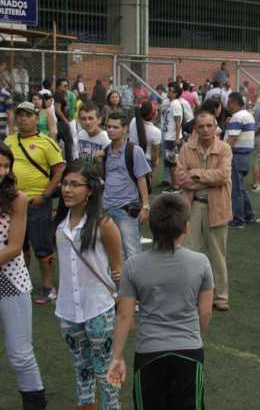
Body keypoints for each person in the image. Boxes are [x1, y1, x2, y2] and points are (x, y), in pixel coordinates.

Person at [107, 194, 214, 410]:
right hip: (189, 351)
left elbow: (124, 315)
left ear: (151, 226)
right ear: (185, 227)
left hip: (149, 353)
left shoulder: (134, 265)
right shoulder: (201, 262)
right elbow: (205, 312)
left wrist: (117, 357)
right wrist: (195, 336)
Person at [54, 161, 123, 410]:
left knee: (105, 369)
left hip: (99, 309)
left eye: (75, 184)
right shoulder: (59, 224)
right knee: (80, 367)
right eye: (65, 183)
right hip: (68, 311)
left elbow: (118, 270)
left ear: (90, 190)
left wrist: (125, 311)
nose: (67, 190)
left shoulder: (103, 224)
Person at [0, 143, 48, 409]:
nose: (3, 171)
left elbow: (15, 246)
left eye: (6, 166)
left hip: (11, 282)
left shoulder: (17, 198)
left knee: (20, 353)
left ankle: (35, 403)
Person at [5, 101, 65, 305]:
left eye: (27, 115)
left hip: (36, 203)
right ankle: (21, 282)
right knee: (18, 246)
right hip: (11, 203)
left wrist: (45, 196)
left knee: (42, 245)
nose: (23, 118)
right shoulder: (9, 141)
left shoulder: (46, 142)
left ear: (35, 117)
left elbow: (59, 170)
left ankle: (48, 287)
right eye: (20, 114)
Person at [175, 109, 233, 311]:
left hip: (217, 207)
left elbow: (223, 176)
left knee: (218, 254)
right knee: (190, 253)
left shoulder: (224, 148)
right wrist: (207, 180)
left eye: (209, 125)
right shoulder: (186, 148)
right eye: (201, 126)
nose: (206, 130)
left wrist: (195, 175)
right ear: (195, 129)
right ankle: (193, 295)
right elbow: (180, 178)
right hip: (193, 207)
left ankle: (221, 297)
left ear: (216, 126)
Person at [102, 112, 151, 260]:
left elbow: (142, 178)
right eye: (109, 126)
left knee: (132, 251)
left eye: (115, 127)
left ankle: (137, 282)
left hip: (127, 208)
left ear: (125, 130)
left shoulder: (134, 151)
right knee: (114, 252)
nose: (111, 130)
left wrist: (146, 206)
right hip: (108, 208)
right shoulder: (105, 151)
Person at [225, 92, 255, 228]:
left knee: (236, 189)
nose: (227, 105)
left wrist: (223, 154)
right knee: (241, 188)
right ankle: (249, 215)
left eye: (229, 102)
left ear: (234, 103)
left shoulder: (237, 117)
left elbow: (232, 138)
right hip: (245, 155)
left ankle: (238, 219)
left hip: (236, 155)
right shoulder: (248, 115)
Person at [128, 100, 162, 169]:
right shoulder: (156, 132)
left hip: (130, 157)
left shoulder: (133, 121)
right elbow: (154, 155)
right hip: (146, 161)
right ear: (153, 115)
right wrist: (153, 167)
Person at [53, 78, 75, 162]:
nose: (67, 87)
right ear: (59, 86)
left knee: (60, 142)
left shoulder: (61, 94)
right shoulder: (58, 95)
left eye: (67, 85)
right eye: (64, 86)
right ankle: (69, 162)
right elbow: (57, 110)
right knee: (68, 142)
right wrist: (65, 121)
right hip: (61, 122)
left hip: (61, 122)